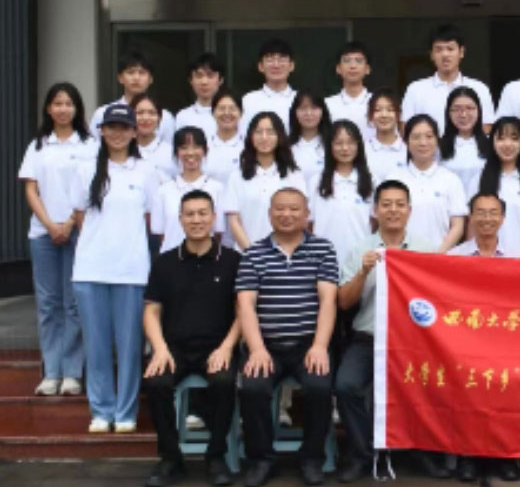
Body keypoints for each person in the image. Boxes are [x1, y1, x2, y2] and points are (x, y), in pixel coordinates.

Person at [335, 180, 438, 482]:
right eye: (386, 204)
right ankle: (362, 454)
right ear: (376, 210)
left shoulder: (426, 250)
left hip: (414, 342)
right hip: (368, 339)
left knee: (431, 384)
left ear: (409, 210)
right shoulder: (361, 249)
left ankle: (422, 451)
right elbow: (343, 302)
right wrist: (363, 272)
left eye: (399, 204)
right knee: (346, 386)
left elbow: (438, 300)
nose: (393, 210)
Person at [236, 188, 339, 487]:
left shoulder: (322, 249)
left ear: (307, 214)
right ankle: (261, 459)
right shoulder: (254, 253)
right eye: (280, 209)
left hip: (309, 343)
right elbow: (245, 304)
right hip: (266, 344)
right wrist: (256, 348)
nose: (287, 214)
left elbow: (328, 301)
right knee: (253, 388)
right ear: (270, 214)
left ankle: (312, 458)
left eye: (294, 209)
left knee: (319, 387)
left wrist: (320, 346)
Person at [70, 104, 161, 433]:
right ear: (102, 131)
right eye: (112, 127)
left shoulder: (145, 171)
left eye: (124, 127)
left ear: (135, 132)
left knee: (129, 346)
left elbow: (152, 219)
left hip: (131, 270)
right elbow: (79, 215)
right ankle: (101, 410)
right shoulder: (85, 169)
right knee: (96, 345)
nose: (118, 133)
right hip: (90, 269)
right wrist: (101, 244)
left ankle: (125, 412)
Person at [141, 190, 241, 487]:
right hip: (174, 347)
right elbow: (151, 311)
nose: (196, 220)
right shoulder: (164, 262)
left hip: (218, 346)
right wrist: (159, 349)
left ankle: (216, 456)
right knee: (155, 382)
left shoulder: (233, 261)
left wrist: (227, 347)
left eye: (202, 213)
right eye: (190, 214)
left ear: (213, 218)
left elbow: (243, 312)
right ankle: (171, 459)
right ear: (180, 219)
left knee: (223, 382)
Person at [18, 82, 97, 397]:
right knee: (49, 304)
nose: (63, 109)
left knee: (74, 302)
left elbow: (92, 189)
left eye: (68, 103)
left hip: (78, 231)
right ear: (48, 109)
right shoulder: (38, 145)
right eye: (57, 103)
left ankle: (72, 372)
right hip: (43, 233)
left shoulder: (89, 145)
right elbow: (31, 189)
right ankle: (51, 371)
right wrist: (51, 225)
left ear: (77, 108)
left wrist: (69, 223)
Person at [445, 193, 520, 482]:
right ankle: (469, 456)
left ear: (502, 218)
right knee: (468, 393)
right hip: (465, 343)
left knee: (510, 393)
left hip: (508, 343)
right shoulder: (453, 258)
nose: (487, 219)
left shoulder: (519, 258)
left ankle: (506, 455)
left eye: (493, 213)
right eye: (480, 212)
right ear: (471, 217)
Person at [467, 117, 520, 256]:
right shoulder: (478, 180)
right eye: (501, 138)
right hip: (489, 259)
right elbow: (472, 224)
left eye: (514, 138)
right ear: (492, 142)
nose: (507, 144)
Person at [224, 112, 307, 250]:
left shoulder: (293, 175)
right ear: (251, 136)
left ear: (279, 136)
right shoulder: (237, 176)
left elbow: (300, 217)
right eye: (258, 132)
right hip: (246, 254)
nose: (264, 137)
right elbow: (234, 221)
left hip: (286, 254)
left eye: (270, 132)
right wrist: (252, 253)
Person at [387, 114, 467, 252]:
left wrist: (438, 255)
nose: (423, 143)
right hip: (402, 257)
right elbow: (385, 222)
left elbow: (458, 226)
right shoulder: (394, 179)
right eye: (416, 137)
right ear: (406, 141)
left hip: (440, 257)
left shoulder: (450, 179)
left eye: (429, 136)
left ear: (437, 140)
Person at [400, 24, 495, 134]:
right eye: (439, 50)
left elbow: (487, 128)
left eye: (450, 49)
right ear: (431, 55)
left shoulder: (479, 89)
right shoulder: (415, 90)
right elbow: (405, 129)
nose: (445, 54)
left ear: (461, 52)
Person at [309, 120, 374, 266]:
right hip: (323, 261)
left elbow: (375, 222)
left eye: (350, 142)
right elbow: (309, 223)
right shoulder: (316, 181)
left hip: (360, 261)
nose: (345, 148)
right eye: (338, 143)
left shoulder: (371, 180)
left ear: (359, 145)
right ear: (329, 146)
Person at [150, 127, 226, 252]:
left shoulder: (217, 188)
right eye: (184, 148)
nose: (190, 153)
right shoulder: (163, 191)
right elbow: (161, 234)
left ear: (205, 150)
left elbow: (218, 232)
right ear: (176, 152)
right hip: (172, 258)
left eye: (196, 147)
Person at [89, 50, 174, 143]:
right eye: (131, 72)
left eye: (142, 73)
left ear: (150, 79)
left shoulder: (165, 117)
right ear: (120, 78)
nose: (136, 78)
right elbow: (94, 147)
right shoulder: (102, 113)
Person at [439, 86, 490, 190]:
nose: (463, 114)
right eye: (456, 109)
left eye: (469, 108)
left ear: (479, 111)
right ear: (448, 113)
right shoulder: (438, 146)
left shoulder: (491, 144)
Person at [241, 38, 297, 133]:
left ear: (291, 66)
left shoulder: (299, 99)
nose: (276, 65)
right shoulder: (248, 100)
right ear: (260, 66)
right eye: (270, 60)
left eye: (282, 59)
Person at [325, 41, 374, 139]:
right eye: (347, 61)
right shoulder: (327, 104)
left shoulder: (377, 103)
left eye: (359, 61)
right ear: (338, 68)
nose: (353, 66)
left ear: (367, 69)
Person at [174, 52, 225, 137]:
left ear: (221, 80)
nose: (204, 82)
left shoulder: (229, 116)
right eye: (199, 76)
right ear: (191, 80)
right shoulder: (183, 117)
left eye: (210, 76)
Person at [364, 89, 408, 185]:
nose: (384, 115)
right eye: (378, 110)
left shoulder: (409, 150)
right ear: (371, 116)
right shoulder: (363, 151)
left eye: (390, 110)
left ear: (398, 115)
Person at [288, 89, 331, 184]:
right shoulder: (286, 146)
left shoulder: (332, 144)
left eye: (314, 108)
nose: (308, 113)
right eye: (303, 108)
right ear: (295, 112)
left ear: (323, 111)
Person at [131, 93, 178, 182]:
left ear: (159, 118)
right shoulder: (123, 151)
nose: (145, 118)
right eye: (140, 113)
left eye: (151, 113)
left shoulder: (171, 152)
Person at [205, 88, 246, 186]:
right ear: (213, 112)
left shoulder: (248, 146)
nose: (227, 113)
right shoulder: (204, 145)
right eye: (222, 108)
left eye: (232, 109)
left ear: (241, 113)